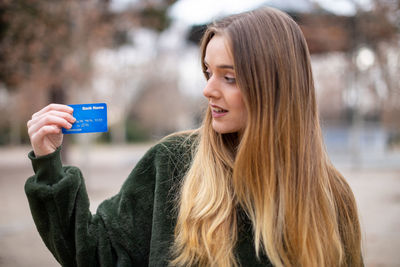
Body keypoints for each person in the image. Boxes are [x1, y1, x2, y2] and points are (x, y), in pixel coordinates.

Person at [25, 7, 363, 267]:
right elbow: (96, 252)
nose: (207, 90)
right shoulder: (172, 162)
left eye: (228, 77)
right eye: (207, 72)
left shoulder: (332, 195)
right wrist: (49, 167)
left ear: (275, 86)